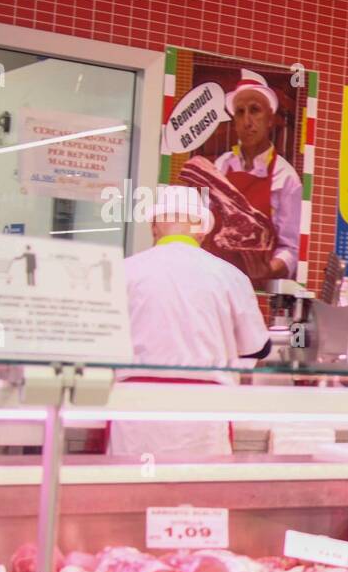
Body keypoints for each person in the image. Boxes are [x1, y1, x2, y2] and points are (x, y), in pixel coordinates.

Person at [107, 189, 271, 459]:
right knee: (198, 492)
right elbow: (257, 348)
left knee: (132, 491)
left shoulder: (123, 270)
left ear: (154, 226)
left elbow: (101, 342)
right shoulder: (230, 276)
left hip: (136, 408)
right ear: (202, 232)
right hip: (204, 411)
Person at [213, 68, 301, 283]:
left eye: (255, 110)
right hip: (214, 281)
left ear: (270, 119)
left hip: (255, 289)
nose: (247, 121)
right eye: (240, 112)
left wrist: (270, 270)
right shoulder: (221, 166)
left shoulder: (286, 178)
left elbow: (291, 249)